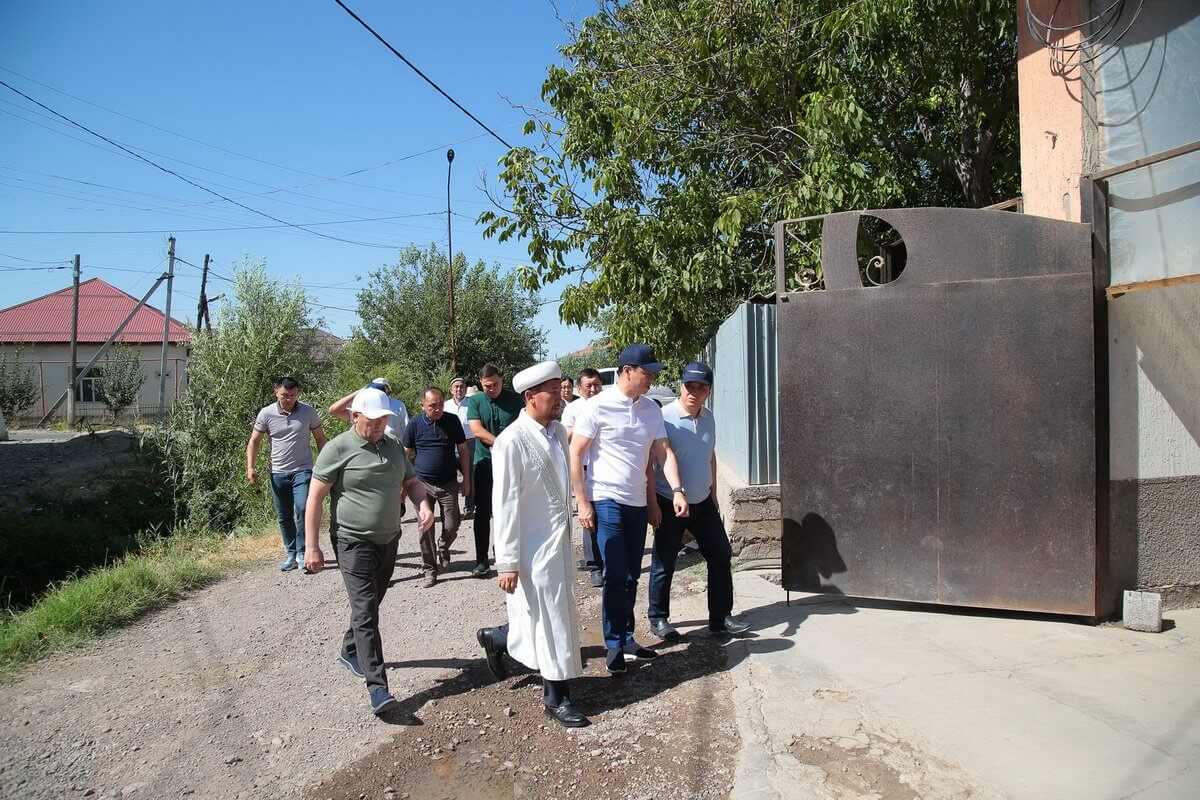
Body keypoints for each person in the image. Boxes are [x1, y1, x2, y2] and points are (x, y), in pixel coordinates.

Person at [303, 387, 433, 717]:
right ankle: (378, 687)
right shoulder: (338, 448)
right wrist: (311, 546)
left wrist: (423, 505)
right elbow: (315, 498)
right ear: (355, 416)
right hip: (352, 541)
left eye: (383, 420)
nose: (379, 426)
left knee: (372, 602)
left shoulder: (392, 447)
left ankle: (350, 649)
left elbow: (412, 482)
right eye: (373, 421)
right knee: (365, 610)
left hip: (389, 538)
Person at [476, 361, 588, 728]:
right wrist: (506, 561)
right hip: (532, 549)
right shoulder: (511, 442)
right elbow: (504, 504)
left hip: (558, 544)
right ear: (530, 397)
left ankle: (497, 637)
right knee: (550, 618)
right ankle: (557, 699)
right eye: (552, 393)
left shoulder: (557, 433)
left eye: (560, 391)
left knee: (542, 618)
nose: (559, 398)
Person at [570, 344, 689, 674]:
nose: (651, 378)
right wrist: (583, 502)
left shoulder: (651, 410)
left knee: (633, 575)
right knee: (616, 573)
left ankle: (627, 639)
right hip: (606, 499)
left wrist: (671, 493)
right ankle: (613, 644)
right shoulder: (597, 407)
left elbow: (661, 455)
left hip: (638, 502)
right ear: (626, 372)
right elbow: (576, 454)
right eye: (646, 372)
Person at [647, 362, 750, 640]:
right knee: (664, 561)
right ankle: (658, 617)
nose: (694, 392)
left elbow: (710, 456)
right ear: (680, 386)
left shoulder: (709, 418)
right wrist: (652, 504)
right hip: (669, 502)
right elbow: (650, 462)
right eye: (689, 386)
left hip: (703, 503)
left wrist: (714, 494)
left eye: (700, 387)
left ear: (708, 390)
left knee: (720, 555)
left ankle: (720, 617)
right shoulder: (663, 417)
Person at [246, 376, 327, 571]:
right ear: (276, 393)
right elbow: (254, 441)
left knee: (303, 508)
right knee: (284, 515)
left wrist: (325, 465)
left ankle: (302, 551)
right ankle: (291, 553)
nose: (289, 399)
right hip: (278, 472)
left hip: (303, 470)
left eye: (292, 395)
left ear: (297, 393)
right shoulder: (266, 413)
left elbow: (320, 438)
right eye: (284, 395)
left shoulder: (308, 411)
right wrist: (250, 467)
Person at [402, 386, 471, 588]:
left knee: (453, 523)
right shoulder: (414, 424)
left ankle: (444, 544)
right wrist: (403, 485)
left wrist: (467, 479)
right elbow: (405, 454)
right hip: (421, 483)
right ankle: (430, 570)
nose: (438, 408)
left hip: (448, 482)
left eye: (441, 404)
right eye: (433, 405)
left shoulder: (452, 421)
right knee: (425, 527)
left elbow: (464, 450)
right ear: (422, 405)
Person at [466, 363, 524, 578]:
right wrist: (501, 444)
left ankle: (503, 553)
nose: (491, 389)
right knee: (482, 512)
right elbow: (477, 430)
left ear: (502, 379)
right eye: (486, 386)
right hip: (485, 463)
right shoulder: (476, 401)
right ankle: (481, 560)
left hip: (512, 463)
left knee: (508, 509)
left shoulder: (516, 400)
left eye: (495, 384)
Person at [561, 368, 605, 588]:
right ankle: (595, 566)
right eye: (588, 386)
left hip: (606, 466)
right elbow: (566, 436)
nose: (593, 389)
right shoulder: (574, 409)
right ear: (580, 388)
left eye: (596, 384)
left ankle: (610, 561)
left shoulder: (609, 404)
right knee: (590, 515)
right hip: (584, 466)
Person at [329, 377, 408, 441]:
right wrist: (360, 392)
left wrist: (360, 391)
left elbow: (407, 432)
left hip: (392, 449)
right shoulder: (364, 406)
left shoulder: (398, 405)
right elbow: (334, 410)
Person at [444, 376, 476, 516]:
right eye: (456, 386)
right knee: (450, 479)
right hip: (451, 446)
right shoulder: (445, 405)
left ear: (465, 389)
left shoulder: (473, 403)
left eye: (462, 386)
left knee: (470, 477)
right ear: (451, 390)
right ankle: (452, 510)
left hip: (470, 444)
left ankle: (469, 508)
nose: (459, 389)